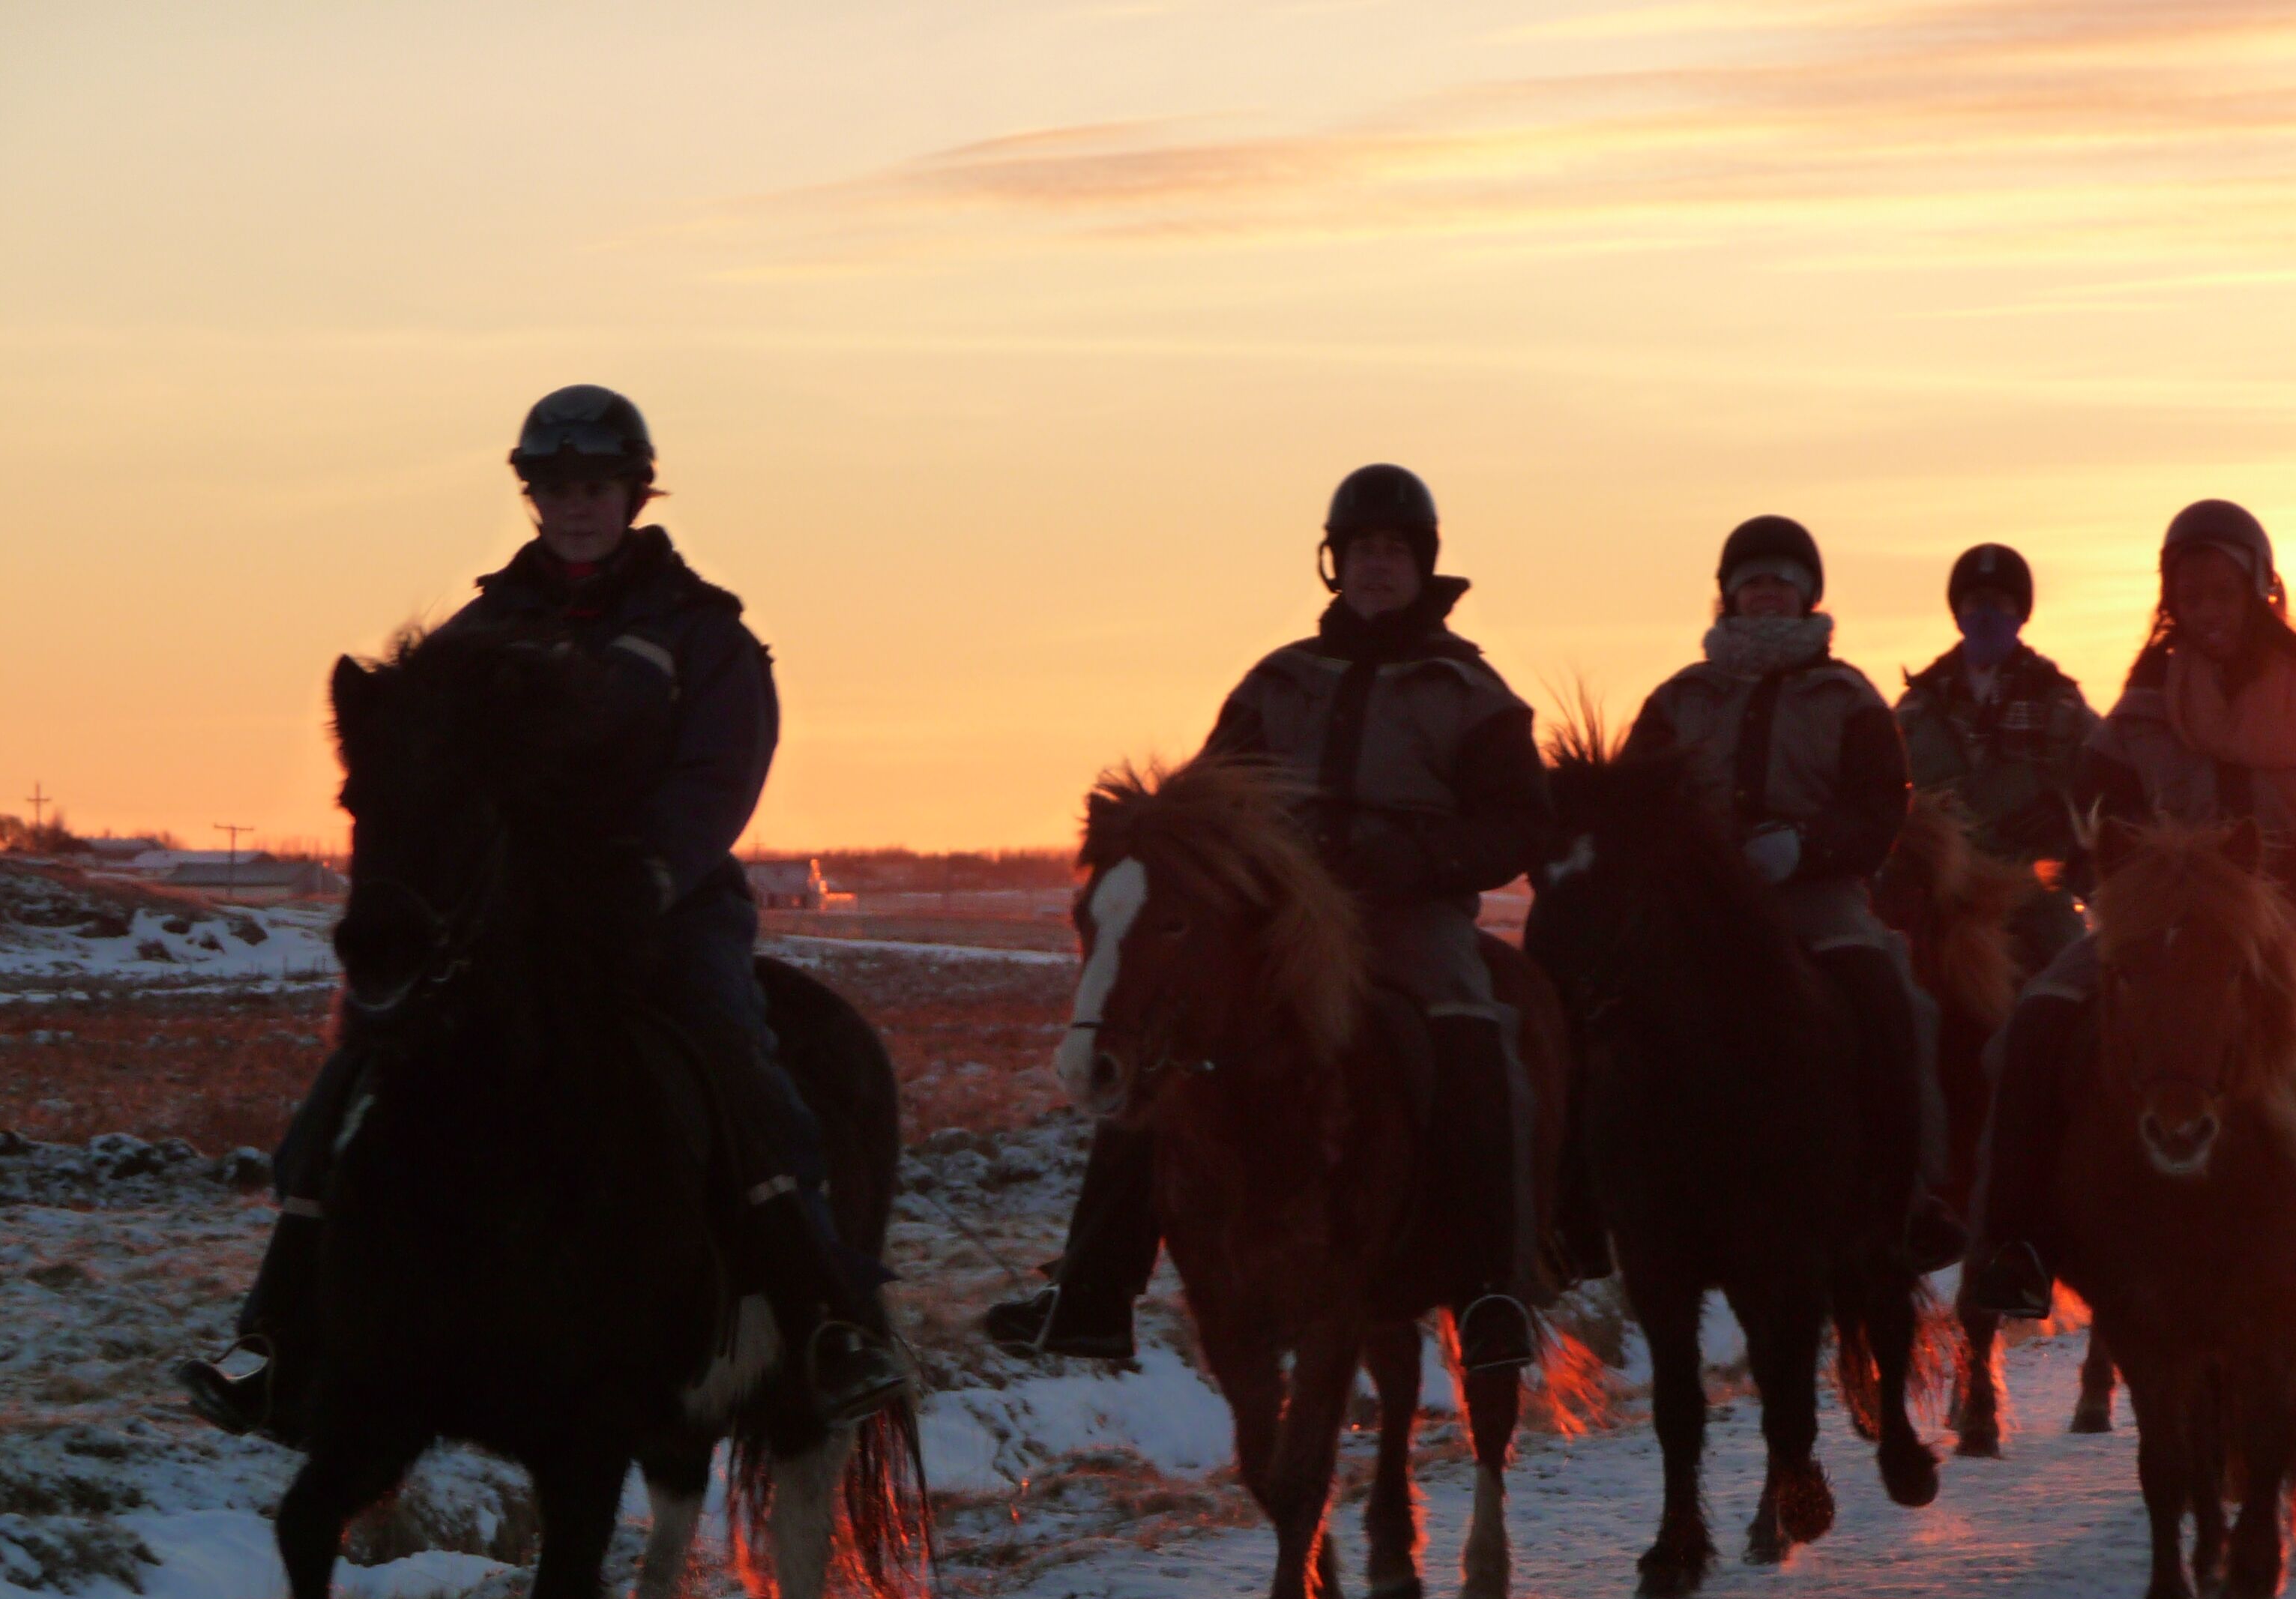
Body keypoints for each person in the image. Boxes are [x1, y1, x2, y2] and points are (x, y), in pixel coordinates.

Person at [178, 384, 910, 1442]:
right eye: (555, 488)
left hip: (660, 905)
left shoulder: (705, 634)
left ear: (633, 494)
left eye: (596, 487)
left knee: (733, 1050)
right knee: (357, 1073)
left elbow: (720, 778)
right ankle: (278, 1338)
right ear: (532, 496)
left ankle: (827, 1323)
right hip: (510, 921)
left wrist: (647, 878)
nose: (576, 506)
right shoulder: (481, 628)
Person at [983, 464, 1555, 1370]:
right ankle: (1092, 1293)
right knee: (1162, 1038)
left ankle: (1492, 1289)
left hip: (1407, 915)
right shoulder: (1278, 680)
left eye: (1394, 552)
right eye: (1360, 550)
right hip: (1275, 918)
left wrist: (1410, 860)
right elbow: (1211, 792)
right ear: (1334, 563)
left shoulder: (1471, 694)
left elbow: (1521, 824)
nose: (1376, 567)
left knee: (1468, 1030)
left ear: (1423, 565)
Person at [1961, 500, 2296, 1379]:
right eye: (2190, 592)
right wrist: (2127, 894)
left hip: (2292, 934)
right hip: (2157, 935)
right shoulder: (2140, 704)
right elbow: (2088, 820)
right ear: (2170, 597)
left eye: (2223, 590)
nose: (2208, 608)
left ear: (2257, 590)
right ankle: (2013, 1246)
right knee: (2036, 1024)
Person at [1621, 514, 1968, 1276]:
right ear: (1728, 597)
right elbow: (1635, 805)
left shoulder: (1847, 695)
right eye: (1752, 581)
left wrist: (1807, 849)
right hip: (1706, 908)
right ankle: (1596, 1201)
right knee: (1611, 1009)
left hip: (1818, 897)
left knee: (1897, 1003)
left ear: (1808, 594)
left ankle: (1912, 1194)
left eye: (1782, 580)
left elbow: (1881, 804)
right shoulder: (1678, 698)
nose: (1767, 593)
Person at [1894, 543, 2097, 975]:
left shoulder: (2059, 701)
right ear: (1957, 613)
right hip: (1941, 900)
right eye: (1974, 603)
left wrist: (2064, 821)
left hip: (2035, 893)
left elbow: (2101, 781)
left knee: (2078, 981)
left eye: (2001, 603)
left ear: (2021, 613)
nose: (1986, 615)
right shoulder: (1918, 706)